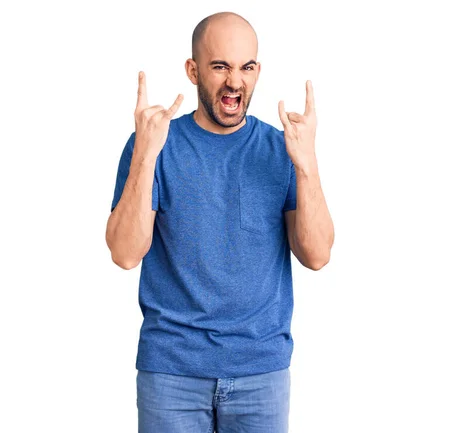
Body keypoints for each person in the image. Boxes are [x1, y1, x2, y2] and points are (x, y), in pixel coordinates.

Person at [105, 11, 334, 433]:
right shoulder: (154, 144)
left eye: (246, 67)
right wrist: (145, 155)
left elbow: (317, 255)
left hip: (260, 373)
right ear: (193, 71)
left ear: (258, 71)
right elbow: (123, 253)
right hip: (171, 372)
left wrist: (307, 167)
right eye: (220, 66)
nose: (235, 82)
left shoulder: (282, 148)